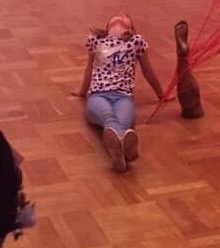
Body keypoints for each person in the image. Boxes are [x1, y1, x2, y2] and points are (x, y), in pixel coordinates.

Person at [73, 13, 170, 172]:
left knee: (122, 122)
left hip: (123, 96)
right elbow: (89, 69)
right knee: (108, 118)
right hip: (98, 95)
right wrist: (82, 92)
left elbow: (148, 71)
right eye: (116, 16)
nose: (120, 16)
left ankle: (117, 154)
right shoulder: (96, 40)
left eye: (125, 18)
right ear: (107, 27)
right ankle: (124, 151)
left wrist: (161, 94)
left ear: (130, 29)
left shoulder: (135, 42)